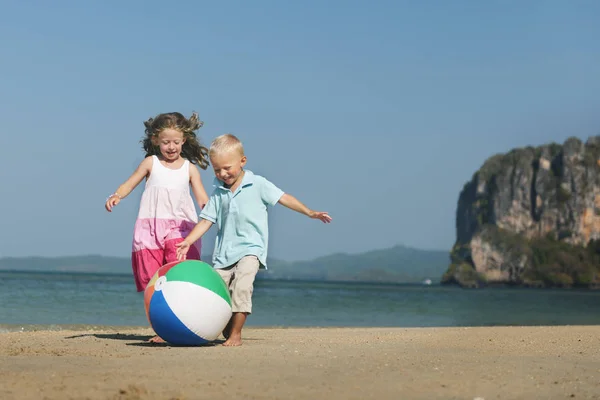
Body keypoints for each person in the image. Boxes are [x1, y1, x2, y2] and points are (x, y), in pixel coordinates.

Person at [176, 134, 332, 346]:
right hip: (223, 255)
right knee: (216, 295)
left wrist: (309, 212)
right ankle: (225, 329)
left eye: (227, 168)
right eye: (217, 170)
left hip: (251, 250)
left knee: (242, 287)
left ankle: (236, 335)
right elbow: (206, 221)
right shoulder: (218, 193)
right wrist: (188, 241)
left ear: (243, 161)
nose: (223, 173)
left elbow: (284, 197)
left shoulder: (258, 184)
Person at [105, 112, 210, 342]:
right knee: (156, 281)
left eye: (175, 142)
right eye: (165, 142)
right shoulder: (151, 163)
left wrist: (211, 210)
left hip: (181, 228)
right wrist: (117, 195)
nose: (171, 147)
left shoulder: (189, 168)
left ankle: (185, 322)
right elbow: (130, 183)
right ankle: (162, 329)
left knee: (177, 276)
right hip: (150, 227)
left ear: (184, 140)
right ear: (156, 141)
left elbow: (202, 198)